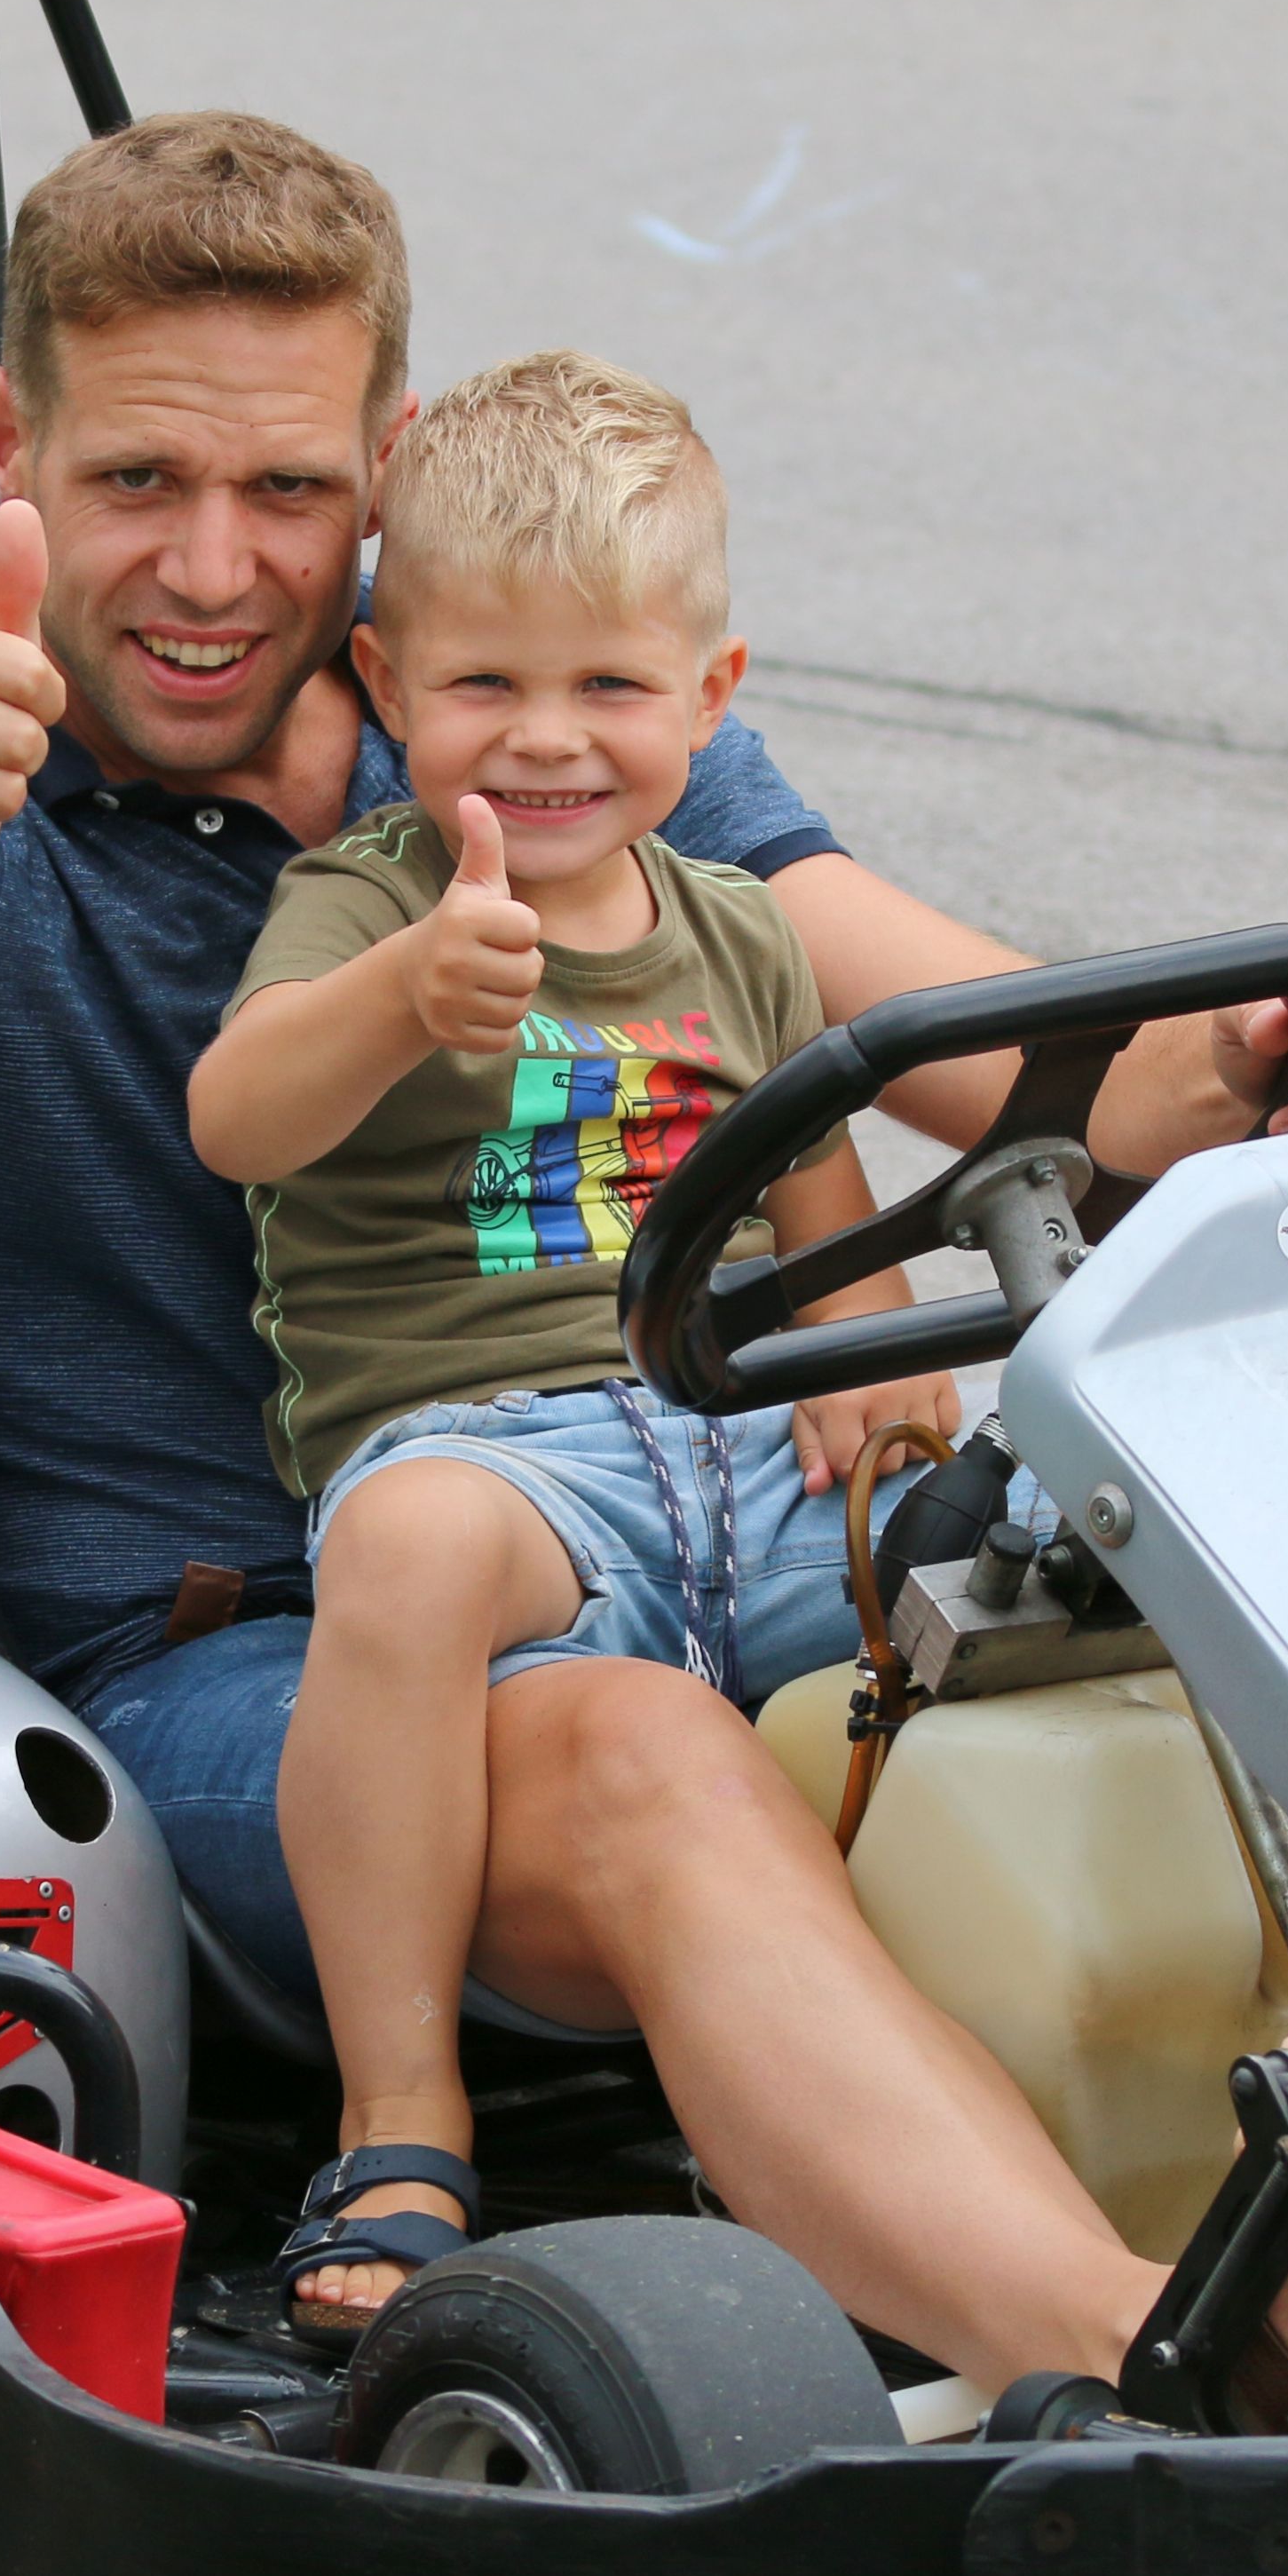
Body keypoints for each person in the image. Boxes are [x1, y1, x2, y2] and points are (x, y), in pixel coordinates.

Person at [0, 110, 1288, 2398]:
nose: (211, 566)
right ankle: (1220, 2389)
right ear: (12, 445)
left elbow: (1002, 1066)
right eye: (134, 486)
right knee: (637, 1754)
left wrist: (1280, 1068)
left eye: (287, 492)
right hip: (228, 1685)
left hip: (666, 1524)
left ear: (384, 469)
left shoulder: (542, 734)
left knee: (1153, 1565)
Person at [183, 351, 962, 2325]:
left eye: (608, 687)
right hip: (495, 1464)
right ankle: (402, 2120)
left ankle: (1137, 2015)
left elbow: (818, 1208)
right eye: (482, 688)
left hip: (726, 1435)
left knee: (1058, 1508)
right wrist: (403, 1001)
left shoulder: (741, 933)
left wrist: (871, 1359)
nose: (544, 742)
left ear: (711, 696)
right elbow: (237, 1117)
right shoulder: (362, 906)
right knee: (410, 1548)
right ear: (379, 686)